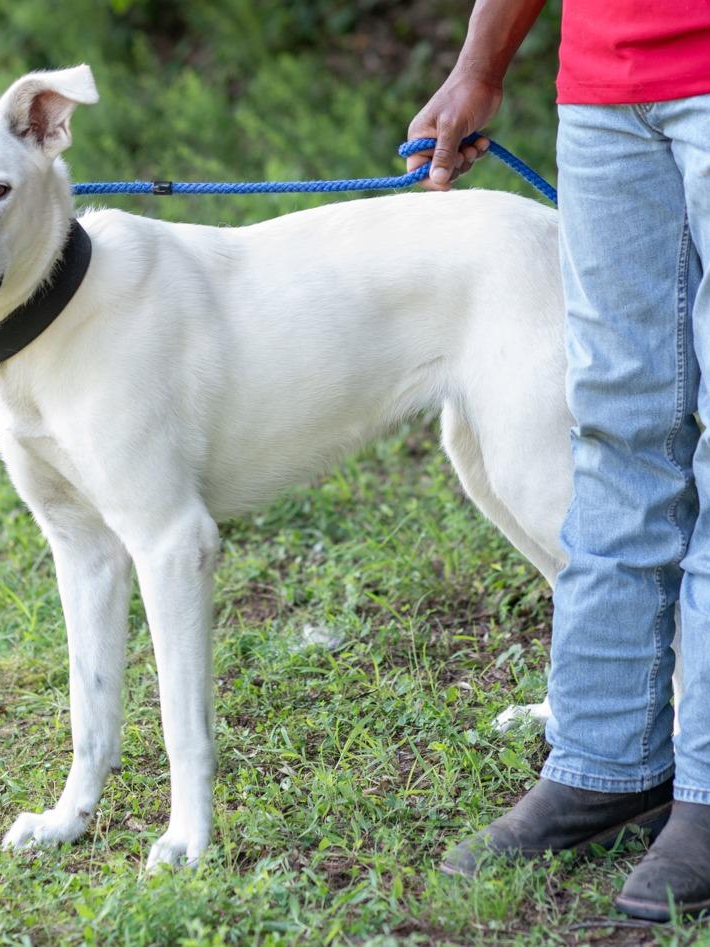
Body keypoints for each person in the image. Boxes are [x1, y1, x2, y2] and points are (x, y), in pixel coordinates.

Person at [406, 0, 710, 922]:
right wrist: (479, 65)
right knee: (619, 423)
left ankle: (705, 787)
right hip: (607, 89)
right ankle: (606, 763)